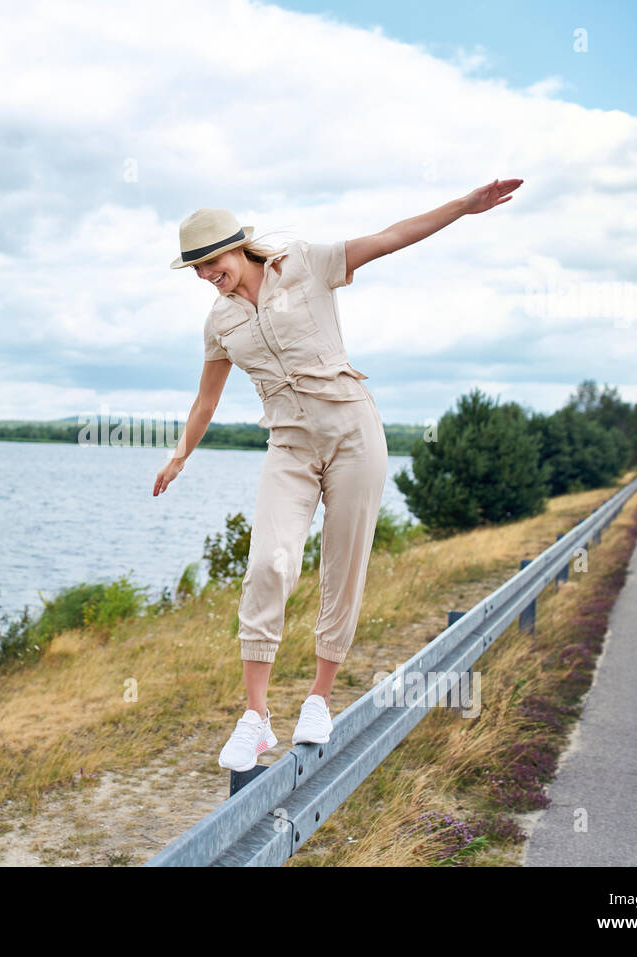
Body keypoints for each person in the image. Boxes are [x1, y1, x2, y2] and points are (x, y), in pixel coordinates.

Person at [152, 179, 523, 771]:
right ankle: (255, 717)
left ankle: (318, 698)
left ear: (238, 248)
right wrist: (179, 455)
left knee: (343, 568)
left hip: (353, 431)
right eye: (194, 268)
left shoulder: (305, 262)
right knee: (270, 561)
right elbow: (205, 401)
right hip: (290, 445)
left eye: (210, 261)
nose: (204, 275)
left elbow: (391, 237)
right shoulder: (218, 323)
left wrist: (462, 207)